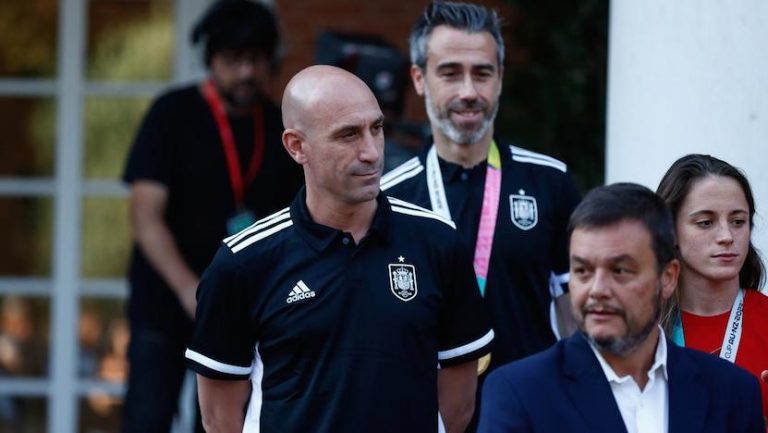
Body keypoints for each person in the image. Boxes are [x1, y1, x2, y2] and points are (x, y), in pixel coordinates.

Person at [185, 65, 493, 433]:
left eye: (376, 129)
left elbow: (459, 401)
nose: (371, 152)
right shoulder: (243, 262)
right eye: (348, 135)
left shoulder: (438, 241)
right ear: (297, 146)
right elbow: (219, 417)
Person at [121, 1, 302, 431]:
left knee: (223, 422)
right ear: (210, 59)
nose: (246, 72)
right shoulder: (172, 114)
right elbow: (145, 216)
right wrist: (190, 288)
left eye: (256, 59)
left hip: (241, 309)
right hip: (165, 301)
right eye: (233, 60)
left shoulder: (281, 125)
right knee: (148, 416)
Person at [381, 1, 581, 380]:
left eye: (482, 73)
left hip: (531, 403)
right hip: (428, 405)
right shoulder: (387, 198)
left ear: (500, 79)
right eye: (450, 74)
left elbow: (575, 312)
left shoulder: (550, 181)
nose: (469, 91)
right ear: (419, 79)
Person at [478, 182, 765, 433]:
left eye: (620, 271)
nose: (598, 290)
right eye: (583, 271)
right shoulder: (519, 393)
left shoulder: (733, 392)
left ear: (667, 278)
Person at [657, 154, 768, 422]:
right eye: (706, 222)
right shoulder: (639, 329)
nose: (726, 237)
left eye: (738, 221)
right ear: (670, 230)